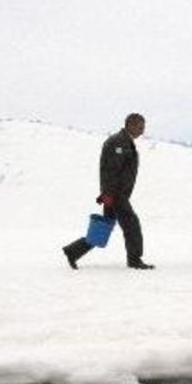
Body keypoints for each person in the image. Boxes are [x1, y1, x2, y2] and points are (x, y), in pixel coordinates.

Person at [62, 113, 155, 270]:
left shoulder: (124, 141)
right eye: (140, 127)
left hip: (115, 194)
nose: (142, 130)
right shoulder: (118, 142)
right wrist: (108, 194)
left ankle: (73, 251)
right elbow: (110, 171)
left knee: (104, 226)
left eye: (143, 127)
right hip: (116, 195)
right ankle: (135, 260)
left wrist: (107, 194)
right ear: (130, 125)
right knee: (132, 224)